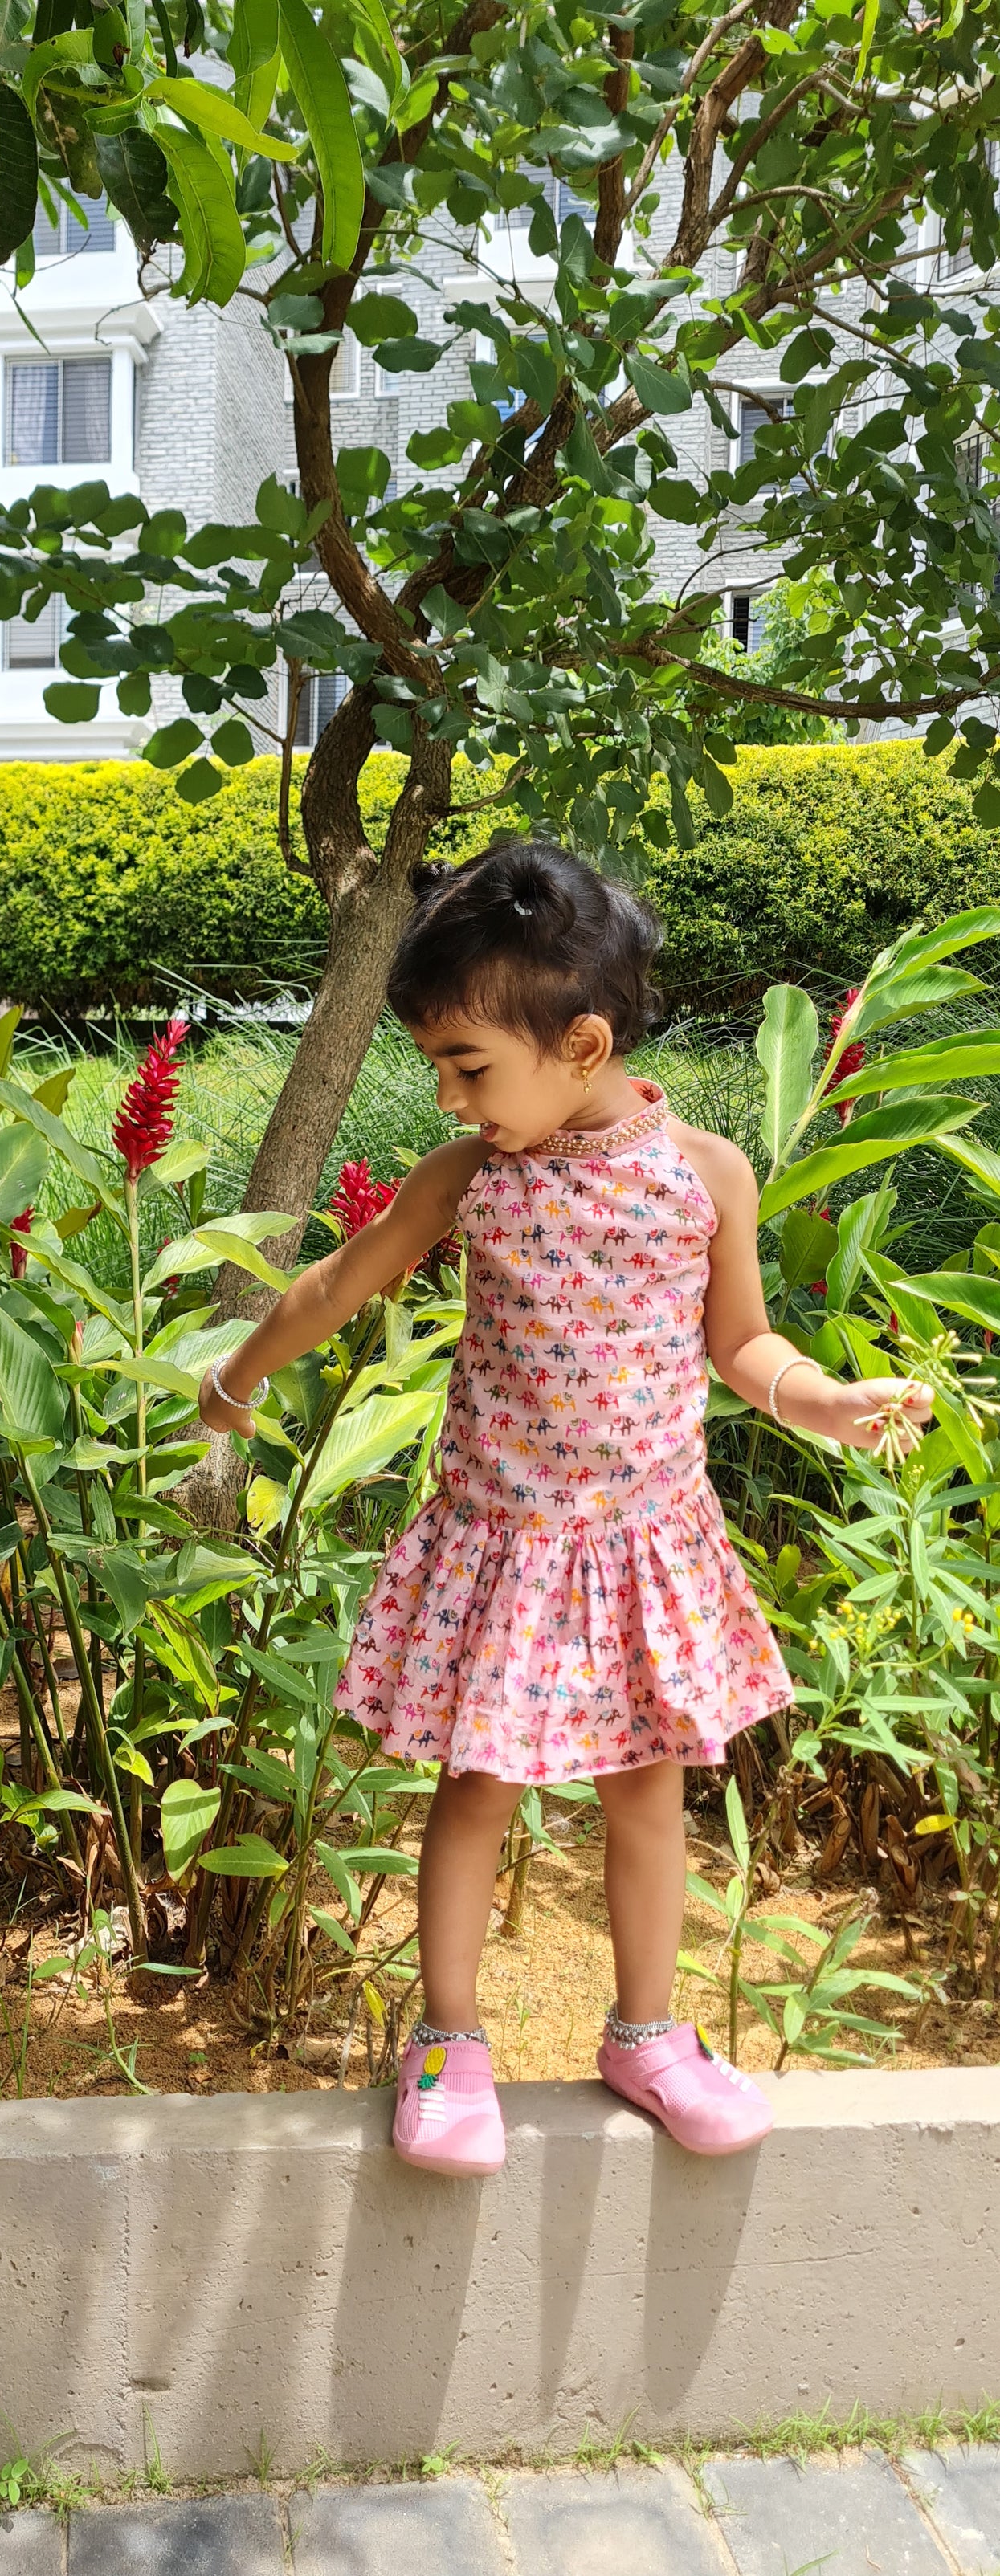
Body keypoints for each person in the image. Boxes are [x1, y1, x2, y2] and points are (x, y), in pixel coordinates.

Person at [199, 838, 933, 2178]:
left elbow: (740, 1343)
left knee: (648, 1792)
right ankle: (449, 2040)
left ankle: (646, 2034)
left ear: (582, 1040)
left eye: (470, 1066)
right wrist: (237, 1371)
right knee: (476, 1787)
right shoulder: (469, 1178)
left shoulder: (703, 1173)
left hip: (642, 1542)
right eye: (437, 1067)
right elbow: (335, 1286)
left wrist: (811, 1397)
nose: (449, 1094)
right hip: (505, 1540)